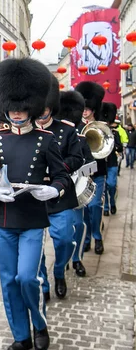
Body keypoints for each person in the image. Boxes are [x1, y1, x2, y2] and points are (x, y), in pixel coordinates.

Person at [0, 58, 69, 350]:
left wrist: (53, 189)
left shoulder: (46, 140)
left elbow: (62, 176)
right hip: (4, 219)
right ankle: (20, 335)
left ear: (32, 107)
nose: (17, 112)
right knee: (9, 282)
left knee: (27, 277)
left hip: (33, 219)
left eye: (23, 107)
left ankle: (40, 324)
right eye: (12, 107)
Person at [35, 75, 83, 301]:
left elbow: (77, 157)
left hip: (60, 193)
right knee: (36, 247)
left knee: (64, 239)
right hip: (34, 196)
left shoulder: (67, 130)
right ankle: (43, 281)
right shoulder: (26, 130)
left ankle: (59, 270)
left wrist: (58, 167)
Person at [55, 91, 91, 277]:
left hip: (75, 187)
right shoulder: (50, 135)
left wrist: (77, 172)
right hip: (55, 187)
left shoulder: (81, 138)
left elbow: (91, 165)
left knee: (78, 223)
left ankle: (76, 259)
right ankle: (60, 267)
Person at [74, 82, 106, 255]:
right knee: (84, 207)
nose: (85, 111)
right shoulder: (76, 127)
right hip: (82, 174)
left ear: (94, 109)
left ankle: (97, 235)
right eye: (83, 108)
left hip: (98, 172)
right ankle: (86, 238)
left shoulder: (101, 126)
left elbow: (106, 146)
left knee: (94, 206)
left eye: (88, 108)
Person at [104, 106, 122, 216]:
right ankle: (105, 207)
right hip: (102, 163)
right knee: (104, 187)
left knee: (111, 184)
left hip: (112, 162)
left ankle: (112, 202)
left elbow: (119, 147)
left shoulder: (114, 133)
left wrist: (112, 144)